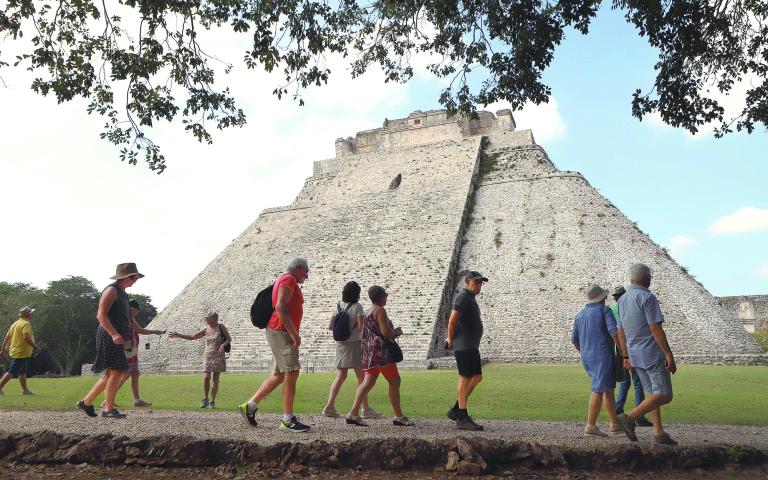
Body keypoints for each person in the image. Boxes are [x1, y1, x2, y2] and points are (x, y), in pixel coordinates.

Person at [238, 257, 311, 432]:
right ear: (298, 268)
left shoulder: (286, 279)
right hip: (281, 331)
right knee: (292, 372)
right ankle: (288, 420)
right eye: (306, 271)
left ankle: (250, 406)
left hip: (278, 331)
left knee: (278, 374)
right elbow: (280, 307)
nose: (307, 275)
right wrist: (294, 333)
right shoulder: (289, 279)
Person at [615, 263, 678, 446]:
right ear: (646, 278)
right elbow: (655, 327)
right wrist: (668, 353)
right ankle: (629, 417)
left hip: (634, 354)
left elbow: (620, 332)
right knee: (665, 394)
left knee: (652, 393)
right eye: (650, 276)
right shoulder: (647, 297)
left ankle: (659, 433)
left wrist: (626, 356)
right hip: (651, 353)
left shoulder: (622, 300)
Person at [77, 263, 143, 419]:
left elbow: (125, 318)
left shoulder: (123, 293)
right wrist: (113, 333)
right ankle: (108, 408)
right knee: (117, 371)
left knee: (109, 374)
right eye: (134, 277)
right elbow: (101, 315)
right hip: (109, 335)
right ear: (125, 277)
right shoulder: (111, 290)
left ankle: (86, 402)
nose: (135, 280)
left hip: (119, 335)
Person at [346, 285, 414, 427]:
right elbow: (384, 332)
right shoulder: (380, 311)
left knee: (367, 383)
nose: (387, 296)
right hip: (381, 352)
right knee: (395, 381)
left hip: (370, 351)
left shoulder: (368, 311)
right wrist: (396, 333)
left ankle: (353, 413)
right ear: (381, 296)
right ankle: (398, 416)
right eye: (385, 294)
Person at [322, 281, 382, 419]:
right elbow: (362, 327)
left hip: (340, 344)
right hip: (354, 344)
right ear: (357, 293)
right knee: (362, 377)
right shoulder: (357, 307)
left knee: (340, 376)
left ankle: (329, 406)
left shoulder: (337, 306)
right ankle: (365, 408)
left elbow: (331, 326)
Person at [571, 284, 623, 437]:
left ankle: (614, 424)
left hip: (588, 356)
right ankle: (591, 425)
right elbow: (614, 332)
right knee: (599, 389)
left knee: (608, 389)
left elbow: (574, 340)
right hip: (603, 355)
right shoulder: (604, 311)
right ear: (602, 297)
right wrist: (622, 352)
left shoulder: (579, 315)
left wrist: (585, 351)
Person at [445, 271, 488, 431]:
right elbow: (452, 320)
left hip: (471, 345)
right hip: (464, 345)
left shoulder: (469, 298)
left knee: (477, 377)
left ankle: (456, 409)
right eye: (476, 282)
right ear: (467, 282)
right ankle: (462, 417)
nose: (479, 285)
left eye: (480, 283)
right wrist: (450, 339)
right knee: (465, 378)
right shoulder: (463, 297)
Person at [169, 310, 230, 409]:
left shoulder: (221, 327)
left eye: (207, 318)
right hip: (208, 355)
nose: (206, 319)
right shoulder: (206, 329)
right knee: (206, 377)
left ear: (213, 319)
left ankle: (212, 401)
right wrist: (178, 335)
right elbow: (192, 337)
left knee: (215, 378)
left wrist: (223, 345)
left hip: (219, 355)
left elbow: (229, 339)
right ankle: (205, 399)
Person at [611, 286, 652, 427]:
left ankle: (618, 410)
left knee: (624, 382)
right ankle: (639, 415)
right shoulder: (628, 308)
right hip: (631, 349)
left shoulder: (612, 310)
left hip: (618, 350)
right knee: (638, 383)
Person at [116, 299, 165, 407]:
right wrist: (155, 332)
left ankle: (137, 400)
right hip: (127, 349)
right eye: (137, 311)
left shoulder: (128, 317)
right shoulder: (127, 317)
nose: (137, 313)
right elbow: (140, 330)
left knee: (135, 374)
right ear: (132, 309)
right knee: (126, 374)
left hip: (132, 349)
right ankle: (108, 398)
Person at [0, 306, 41, 396]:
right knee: (12, 371)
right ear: (28, 315)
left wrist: (2, 350)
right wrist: (35, 346)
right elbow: (25, 337)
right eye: (31, 313)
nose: (32, 315)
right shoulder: (26, 324)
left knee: (22, 371)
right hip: (20, 352)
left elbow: (6, 337)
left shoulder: (15, 324)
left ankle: (25, 390)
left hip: (17, 351)